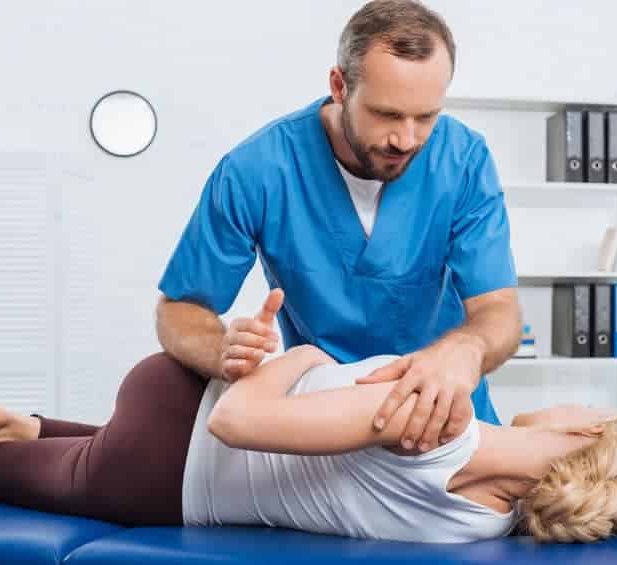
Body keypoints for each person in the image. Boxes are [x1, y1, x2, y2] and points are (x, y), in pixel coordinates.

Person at [0, 317, 617, 544]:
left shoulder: (440, 421)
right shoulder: (488, 516)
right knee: (61, 457)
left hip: (168, 450)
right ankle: (28, 426)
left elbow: (237, 418)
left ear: (590, 430)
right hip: (163, 446)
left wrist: (300, 350)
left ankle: (17, 427)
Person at [156, 0, 522, 458]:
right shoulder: (258, 169)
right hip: (327, 427)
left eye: (426, 117)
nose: (406, 139)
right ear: (339, 85)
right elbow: (179, 309)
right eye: (387, 114)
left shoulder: (463, 160)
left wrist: (467, 349)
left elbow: (499, 310)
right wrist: (220, 348)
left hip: (444, 420)